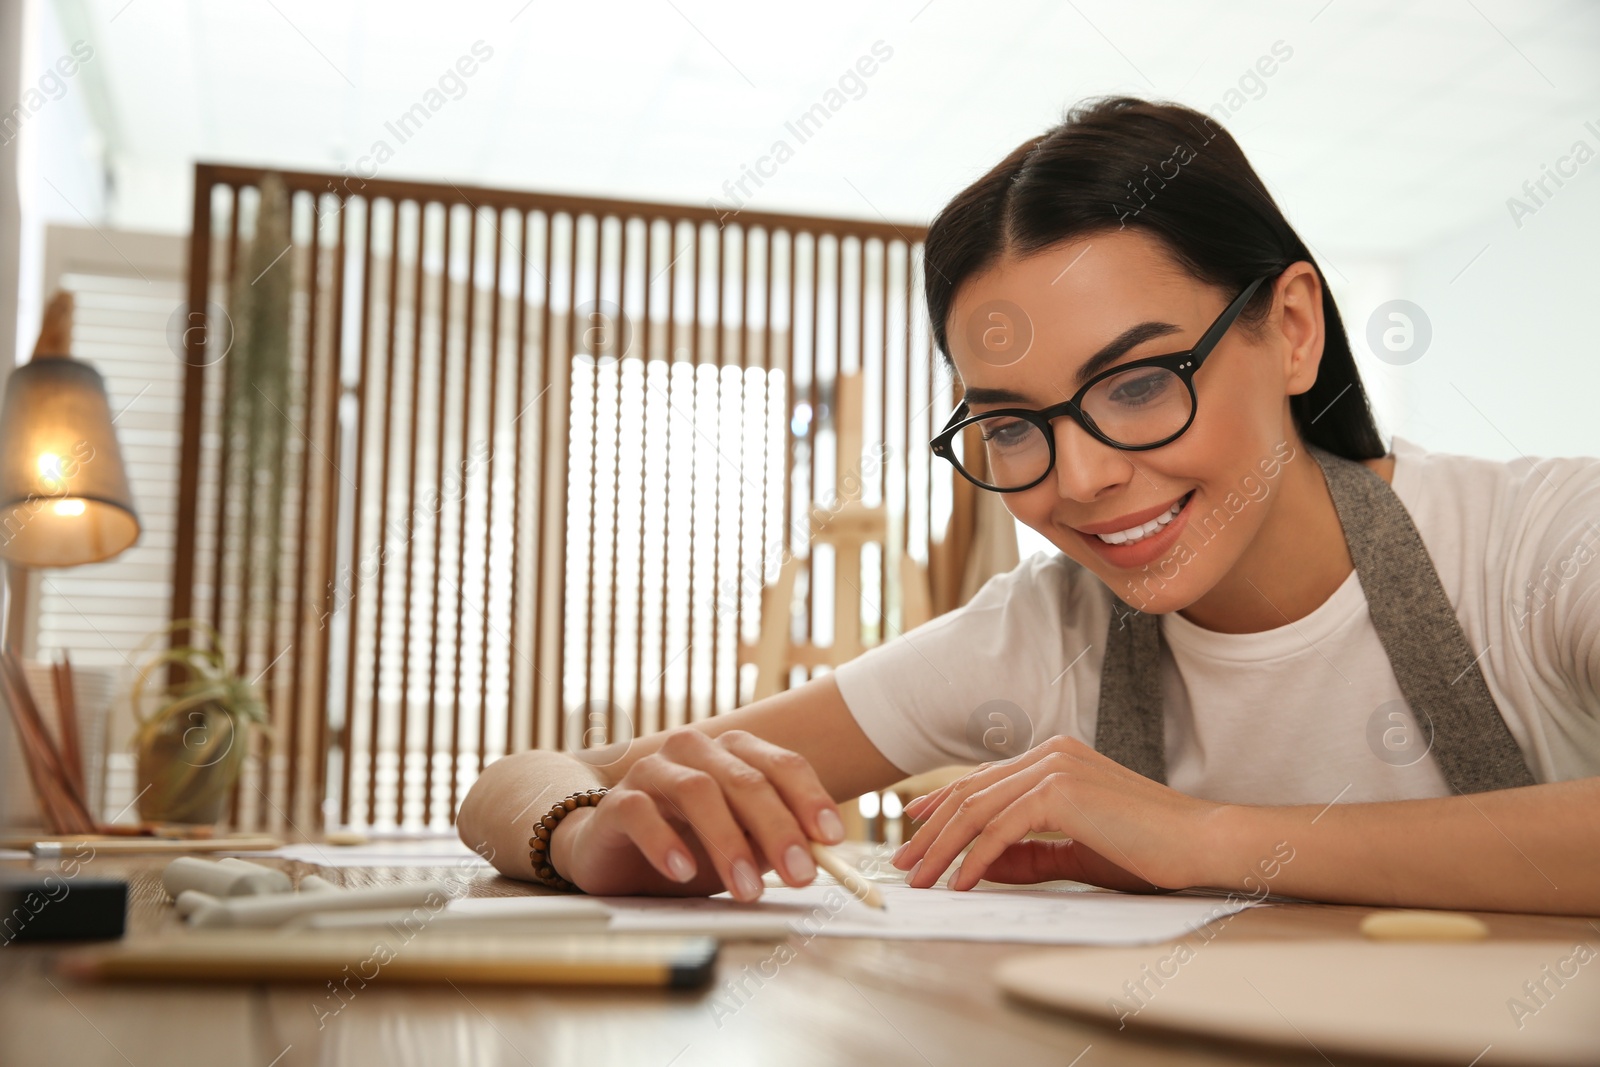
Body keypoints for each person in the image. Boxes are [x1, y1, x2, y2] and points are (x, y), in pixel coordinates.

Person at [458, 96, 1600, 915]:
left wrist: (1195, 838)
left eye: (1141, 382)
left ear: (1292, 328)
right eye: (1011, 423)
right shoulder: (1037, 634)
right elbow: (530, 779)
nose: (1083, 477)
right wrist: (588, 832)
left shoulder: (1538, 543)